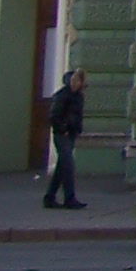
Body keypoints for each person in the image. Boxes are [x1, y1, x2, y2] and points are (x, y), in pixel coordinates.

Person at [43, 68, 87, 208]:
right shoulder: (62, 95)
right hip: (62, 135)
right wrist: (63, 129)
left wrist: (76, 129)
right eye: (78, 81)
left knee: (62, 167)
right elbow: (54, 116)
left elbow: (77, 116)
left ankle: (49, 197)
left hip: (71, 133)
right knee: (68, 166)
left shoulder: (78, 96)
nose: (79, 84)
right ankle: (70, 198)